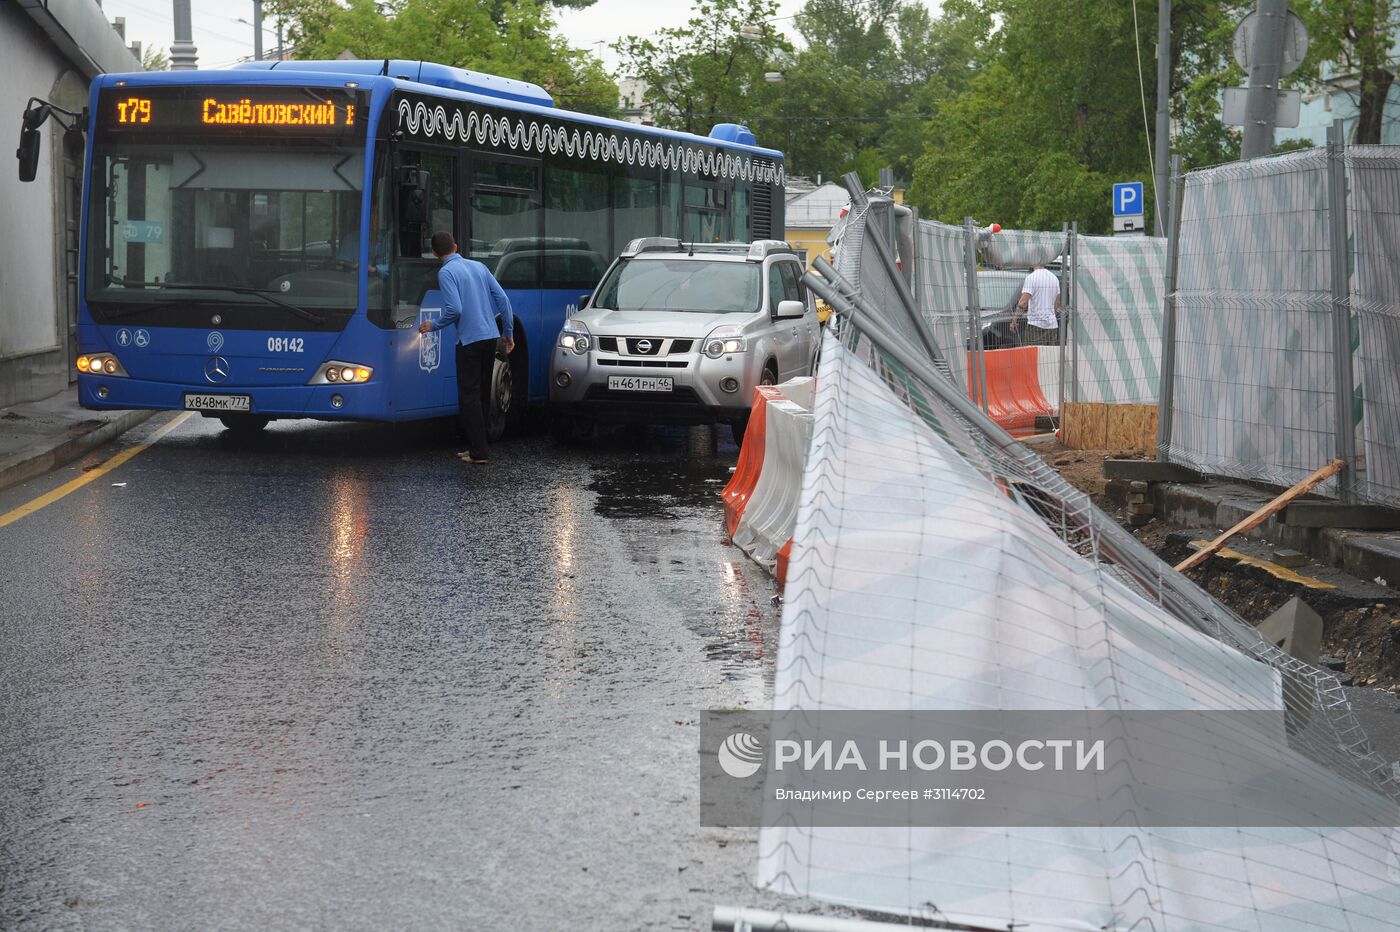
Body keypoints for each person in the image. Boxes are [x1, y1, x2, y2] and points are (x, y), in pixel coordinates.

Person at [418, 231, 515, 464]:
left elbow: (455, 310)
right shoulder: (479, 266)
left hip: (469, 340)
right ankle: (476, 448)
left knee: (468, 396)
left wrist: (434, 325)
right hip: (490, 337)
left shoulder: (446, 272)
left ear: (434, 253)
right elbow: (503, 299)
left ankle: (479, 452)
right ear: (456, 246)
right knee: (481, 393)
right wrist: (508, 333)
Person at [1012, 262, 1061, 346]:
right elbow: (1057, 303)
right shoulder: (1054, 278)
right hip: (1052, 325)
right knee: (1049, 356)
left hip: (1036, 325)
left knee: (1032, 355)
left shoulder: (1031, 278)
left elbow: (1023, 302)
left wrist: (1014, 320)